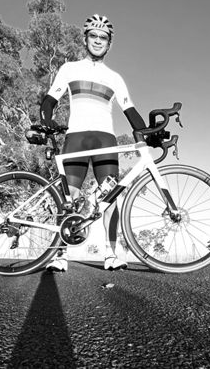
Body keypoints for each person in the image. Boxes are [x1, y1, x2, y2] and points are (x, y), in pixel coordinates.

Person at [40, 14, 147, 272]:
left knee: (110, 198)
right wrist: (46, 121)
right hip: (76, 137)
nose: (98, 41)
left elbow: (130, 110)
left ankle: (111, 255)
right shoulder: (70, 69)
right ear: (85, 39)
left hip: (105, 140)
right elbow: (49, 100)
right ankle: (60, 255)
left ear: (109, 44)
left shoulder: (115, 77)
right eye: (93, 36)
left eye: (103, 37)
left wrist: (146, 132)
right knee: (69, 197)